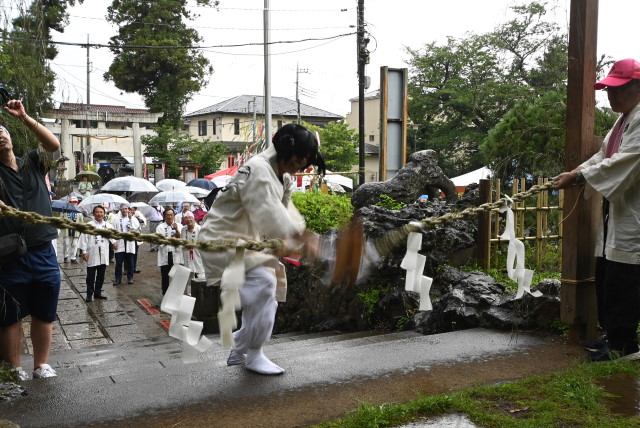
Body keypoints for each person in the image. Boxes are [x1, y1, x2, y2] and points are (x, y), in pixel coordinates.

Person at [198, 123, 324, 375]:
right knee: (264, 286)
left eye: (305, 160)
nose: (300, 164)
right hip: (223, 241)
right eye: (298, 157)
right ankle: (252, 352)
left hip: (250, 242)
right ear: (284, 149)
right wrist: (299, 238)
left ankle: (241, 346)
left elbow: (285, 210)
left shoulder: (283, 175)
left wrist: (302, 233)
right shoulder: (258, 170)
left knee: (268, 296)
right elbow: (271, 214)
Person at [554, 58, 640, 361]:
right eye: (607, 90)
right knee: (607, 274)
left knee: (624, 279)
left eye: (617, 89)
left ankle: (624, 344)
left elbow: (625, 161)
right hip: (617, 210)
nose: (610, 95)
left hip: (633, 214)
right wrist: (576, 172)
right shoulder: (624, 119)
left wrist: (578, 177)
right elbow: (604, 155)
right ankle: (614, 337)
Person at [0, 99, 62, 380]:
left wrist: (24, 116)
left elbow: (53, 146)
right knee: (9, 314)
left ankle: (41, 364)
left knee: (44, 310)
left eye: (2, 130)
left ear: (10, 137)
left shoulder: (33, 163)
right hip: (9, 253)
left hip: (42, 249)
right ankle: (14, 369)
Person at [78, 205, 117, 302]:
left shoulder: (108, 226)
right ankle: (89, 294)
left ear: (104, 214)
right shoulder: (89, 225)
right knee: (90, 275)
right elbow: (83, 239)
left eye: (101, 212)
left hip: (103, 254)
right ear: (93, 213)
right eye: (97, 212)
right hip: (92, 253)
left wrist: (114, 242)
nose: (99, 214)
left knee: (101, 275)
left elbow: (113, 237)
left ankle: (97, 293)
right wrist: (84, 252)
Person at [156, 208, 183, 295]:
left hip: (176, 253)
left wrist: (177, 230)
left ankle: (176, 294)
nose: (170, 217)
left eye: (171, 215)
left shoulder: (179, 225)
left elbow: (182, 239)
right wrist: (172, 238)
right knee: (165, 275)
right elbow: (160, 241)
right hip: (165, 254)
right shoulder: (160, 227)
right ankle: (165, 293)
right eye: (167, 215)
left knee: (177, 275)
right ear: (164, 216)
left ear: (174, 216)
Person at [112, 204, 139, 285]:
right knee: (119, 262)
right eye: (123, 209)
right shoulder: (116, 219)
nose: (124, 210)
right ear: (120, 210)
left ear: (128, 210)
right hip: (119, 243)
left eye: (126, 209)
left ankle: (130, 277)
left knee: (130, 262)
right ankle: (118, 279)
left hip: (129, 242)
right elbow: (112, 231)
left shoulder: (133, 219)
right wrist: (114, 242)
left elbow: (136, 228)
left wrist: (131, 219)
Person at [59, 195, 84, 263]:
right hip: (67, 229)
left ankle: (73, 257)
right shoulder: (64, 210)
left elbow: (81, 221)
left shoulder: (79, 211)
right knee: (66, 243)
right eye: (72, 202)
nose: (73, 203)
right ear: (69, 202)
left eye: (75, 202)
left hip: (76, 230)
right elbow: (61, 219)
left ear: (77, 203)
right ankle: (65, 256)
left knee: (75, 244)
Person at [181, 211, 205, 280]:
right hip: (187, 256)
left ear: (193, 218)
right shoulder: (183, 229)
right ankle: (189, 291)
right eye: (186, 218)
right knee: (189, 278)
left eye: (190, 218)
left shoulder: (200, 229)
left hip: (198, 257)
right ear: (184, 220)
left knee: (201, 277)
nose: (188, 219)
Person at [130, 206, 146, 274]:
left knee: (135, 253)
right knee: (129, 254)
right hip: (129, 238)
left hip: (136, 237)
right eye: (130, 210)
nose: (132, 212)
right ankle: (127, 268)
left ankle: (133, 268)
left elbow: (143, 222)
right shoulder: (126, 216)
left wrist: (139, 219)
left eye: (133, 210)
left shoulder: (138, 214)